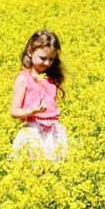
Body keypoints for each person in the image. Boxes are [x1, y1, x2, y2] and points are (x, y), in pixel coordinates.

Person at [9, 29, 69, 161]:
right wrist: (33, 111)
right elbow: (14, 112)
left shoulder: (50, 79)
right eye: (43, 58)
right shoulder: (23, 79)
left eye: (51, 59)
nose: (47, 63)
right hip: (34, 133)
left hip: (53, 133)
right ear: (30, 51)